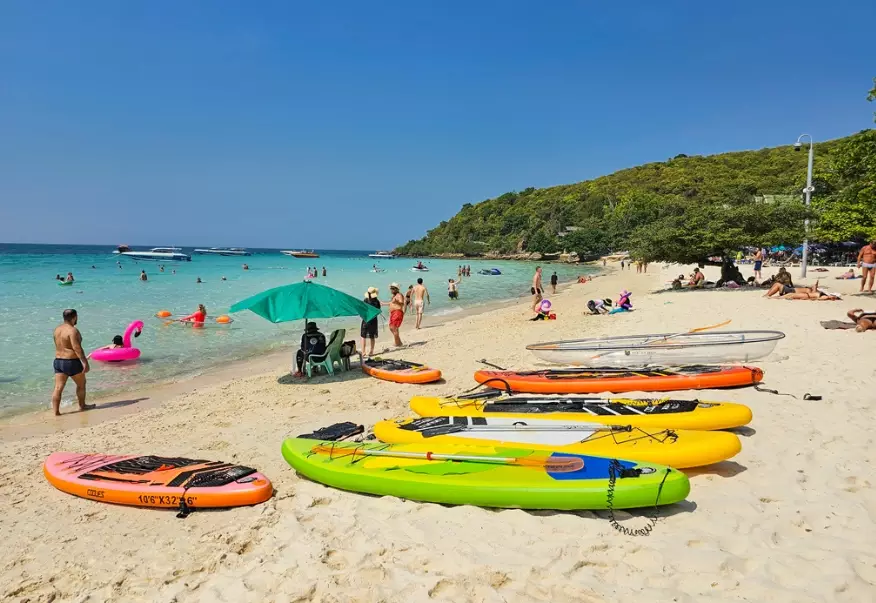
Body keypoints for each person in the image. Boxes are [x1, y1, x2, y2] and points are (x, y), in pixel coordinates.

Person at [52, 309, 93, 416]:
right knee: (81, 384)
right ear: (74, 317)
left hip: (58, 361)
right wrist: (84, 362)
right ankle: (82, 406)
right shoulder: (73, 330)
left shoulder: (57, 329)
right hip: (71, 362)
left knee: (58, 387)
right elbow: (77, 348)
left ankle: (56, 412)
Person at [764, 279, 841, 300]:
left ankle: (768, 296)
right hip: (794, 291)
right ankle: (768, 296)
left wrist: (815, 287)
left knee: (777, 285)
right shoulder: (813, 291)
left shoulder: (811, 291)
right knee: (777, 285)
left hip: (793, 291)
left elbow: (816, 296)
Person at [360, 287, 381, 356]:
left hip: (366, 319)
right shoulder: (377, 301)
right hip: (374, 320)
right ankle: (371, 351)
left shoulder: (366, 300)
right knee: (372, 336)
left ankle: (363, 352)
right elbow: (378, 311)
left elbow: (362, 309)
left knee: (363, 336)